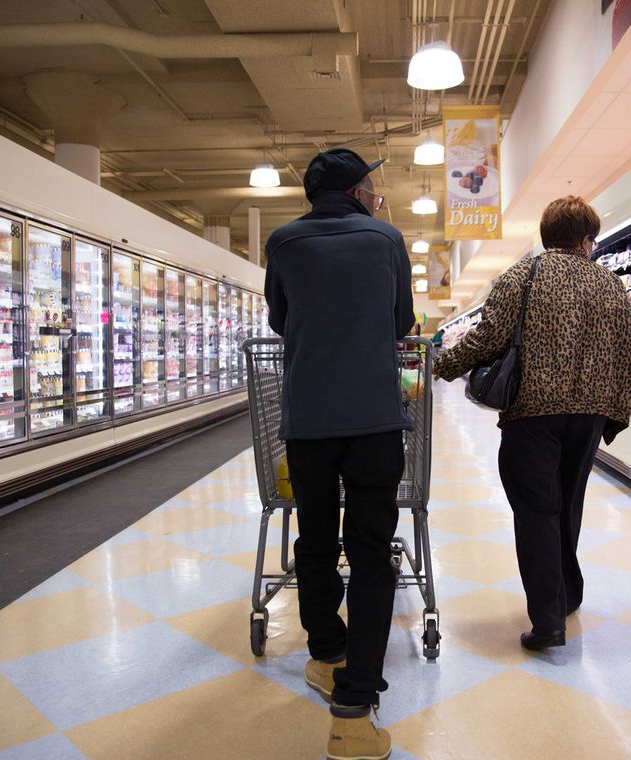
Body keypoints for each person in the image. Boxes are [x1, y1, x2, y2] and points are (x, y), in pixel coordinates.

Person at [434, 195, 631, 651]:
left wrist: (443, 366)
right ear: (587, 240)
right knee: (568, 503)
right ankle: (568, 594)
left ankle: (549, 619)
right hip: (589, 414)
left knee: (536, 510)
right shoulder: (609, 283)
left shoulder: (523, 276)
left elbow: (488, 337)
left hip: (533, 411)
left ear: (546, 235)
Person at [265, 147, 414, 760]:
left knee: (317, 539)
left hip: (310, 421)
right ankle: (354, 708)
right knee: (372, 550)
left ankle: (327, 653)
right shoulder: (385, 240)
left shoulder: (282, 243)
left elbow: (280, 320)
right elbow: (401, 320)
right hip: (374, 420)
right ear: (358, 191)